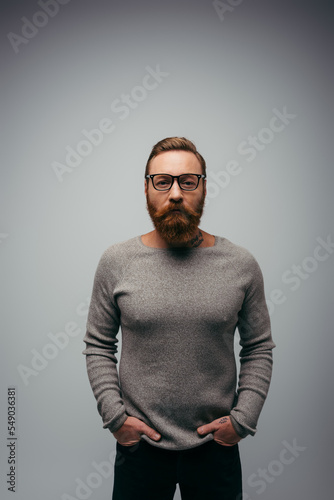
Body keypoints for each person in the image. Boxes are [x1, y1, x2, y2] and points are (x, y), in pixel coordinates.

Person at [83, 137, 275, 500]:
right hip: (139, 448)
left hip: (215, 447)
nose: (175, 193)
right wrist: (116, 419)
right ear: (146, 188)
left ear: (203, 188)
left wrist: (241, 421)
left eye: (188, 181)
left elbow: (258, 347)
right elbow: (97, 345)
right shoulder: (116, 262)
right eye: (162, 181)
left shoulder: (241, 265)